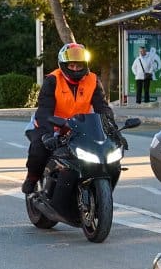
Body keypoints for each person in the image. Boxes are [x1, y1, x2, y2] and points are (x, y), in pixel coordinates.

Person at [22, 43, 116, 194]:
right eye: (72, 65)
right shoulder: (52, 80)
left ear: (85, 65)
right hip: (51, 125)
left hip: (79, 127)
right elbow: (44, 110)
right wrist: (47, 134)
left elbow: (102, 107)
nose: (75, 69)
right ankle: (32, 178)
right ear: (64, 65)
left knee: (102, 151)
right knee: (39, 148)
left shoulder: (93, 80)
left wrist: (111, 127)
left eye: (79, 66)